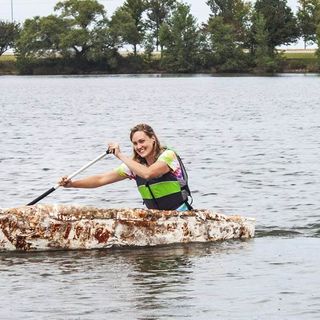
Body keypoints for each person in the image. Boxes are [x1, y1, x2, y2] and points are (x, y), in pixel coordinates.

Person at [59, 124, 193, 211]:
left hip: (180, 214)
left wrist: (120, 155)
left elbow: (148, 174)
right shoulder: (135, 165)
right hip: (156, 218)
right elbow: (101, 179)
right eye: (135, 143)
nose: (139, 146)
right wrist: (71, 184)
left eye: (142, 141)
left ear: (153, 139)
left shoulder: (168, 156)